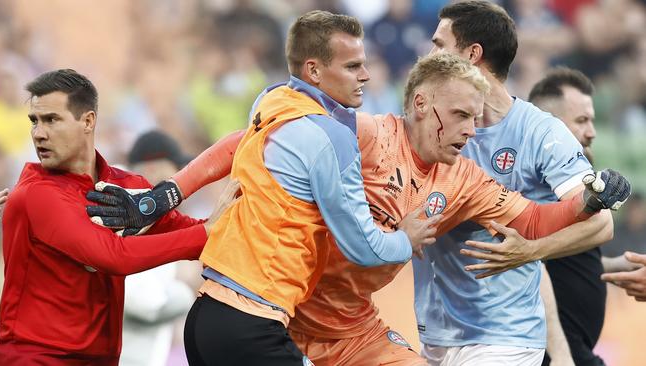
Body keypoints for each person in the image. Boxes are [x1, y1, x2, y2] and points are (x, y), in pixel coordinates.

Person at [90, 52, 629, 366]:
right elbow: (249, 140)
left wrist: (588, 199)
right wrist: (166, 193)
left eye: (477, 118)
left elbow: (533, 220)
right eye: (462, 114)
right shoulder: (364, 135)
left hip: (354, 329)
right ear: (422, 105)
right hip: (282, 313)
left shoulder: (464, 179)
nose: (472, 129)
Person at [87, 11, 438, 365]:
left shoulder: (271, 101)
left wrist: (166, 195)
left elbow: (235, 143)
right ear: (314, 71)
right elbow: (363, 246)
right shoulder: (330, 138)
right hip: (251, 325)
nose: (365, 75)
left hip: (205, 318)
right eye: (352, 66)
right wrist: (405, 240)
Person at [413, 2, 619, 365]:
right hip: (436, 332)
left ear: (472, 54)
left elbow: (601, 224)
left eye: (440, 44)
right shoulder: (431, 125)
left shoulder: (541, 132)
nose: (430, 55)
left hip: (504, 336)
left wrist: (531, 251)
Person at [0, 69, 238, 365]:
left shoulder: (125, 187)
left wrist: (227, 224)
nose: (38, 133)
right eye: (35, 121)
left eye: (51, 120)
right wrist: (206, 234)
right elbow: (114, 256)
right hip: (34, 358)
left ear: (88, 121)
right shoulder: (35, 194)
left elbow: (192, 233)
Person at [528, 66, 606, 366]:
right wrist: (561, 355)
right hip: (557, 354)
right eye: (582, 120)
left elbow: (563, 259)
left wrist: (612, 267)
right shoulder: (533, 188)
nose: (592, 132)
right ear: (550, 126)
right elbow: (532, 266)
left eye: (592, 121)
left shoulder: (568, 190)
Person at [119, 130, 198, 366]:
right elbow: (144, 305)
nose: (179, 182)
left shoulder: (154, 220)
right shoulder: (123, 214)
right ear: (152, 170)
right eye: (174, 171)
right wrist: (187, 292)